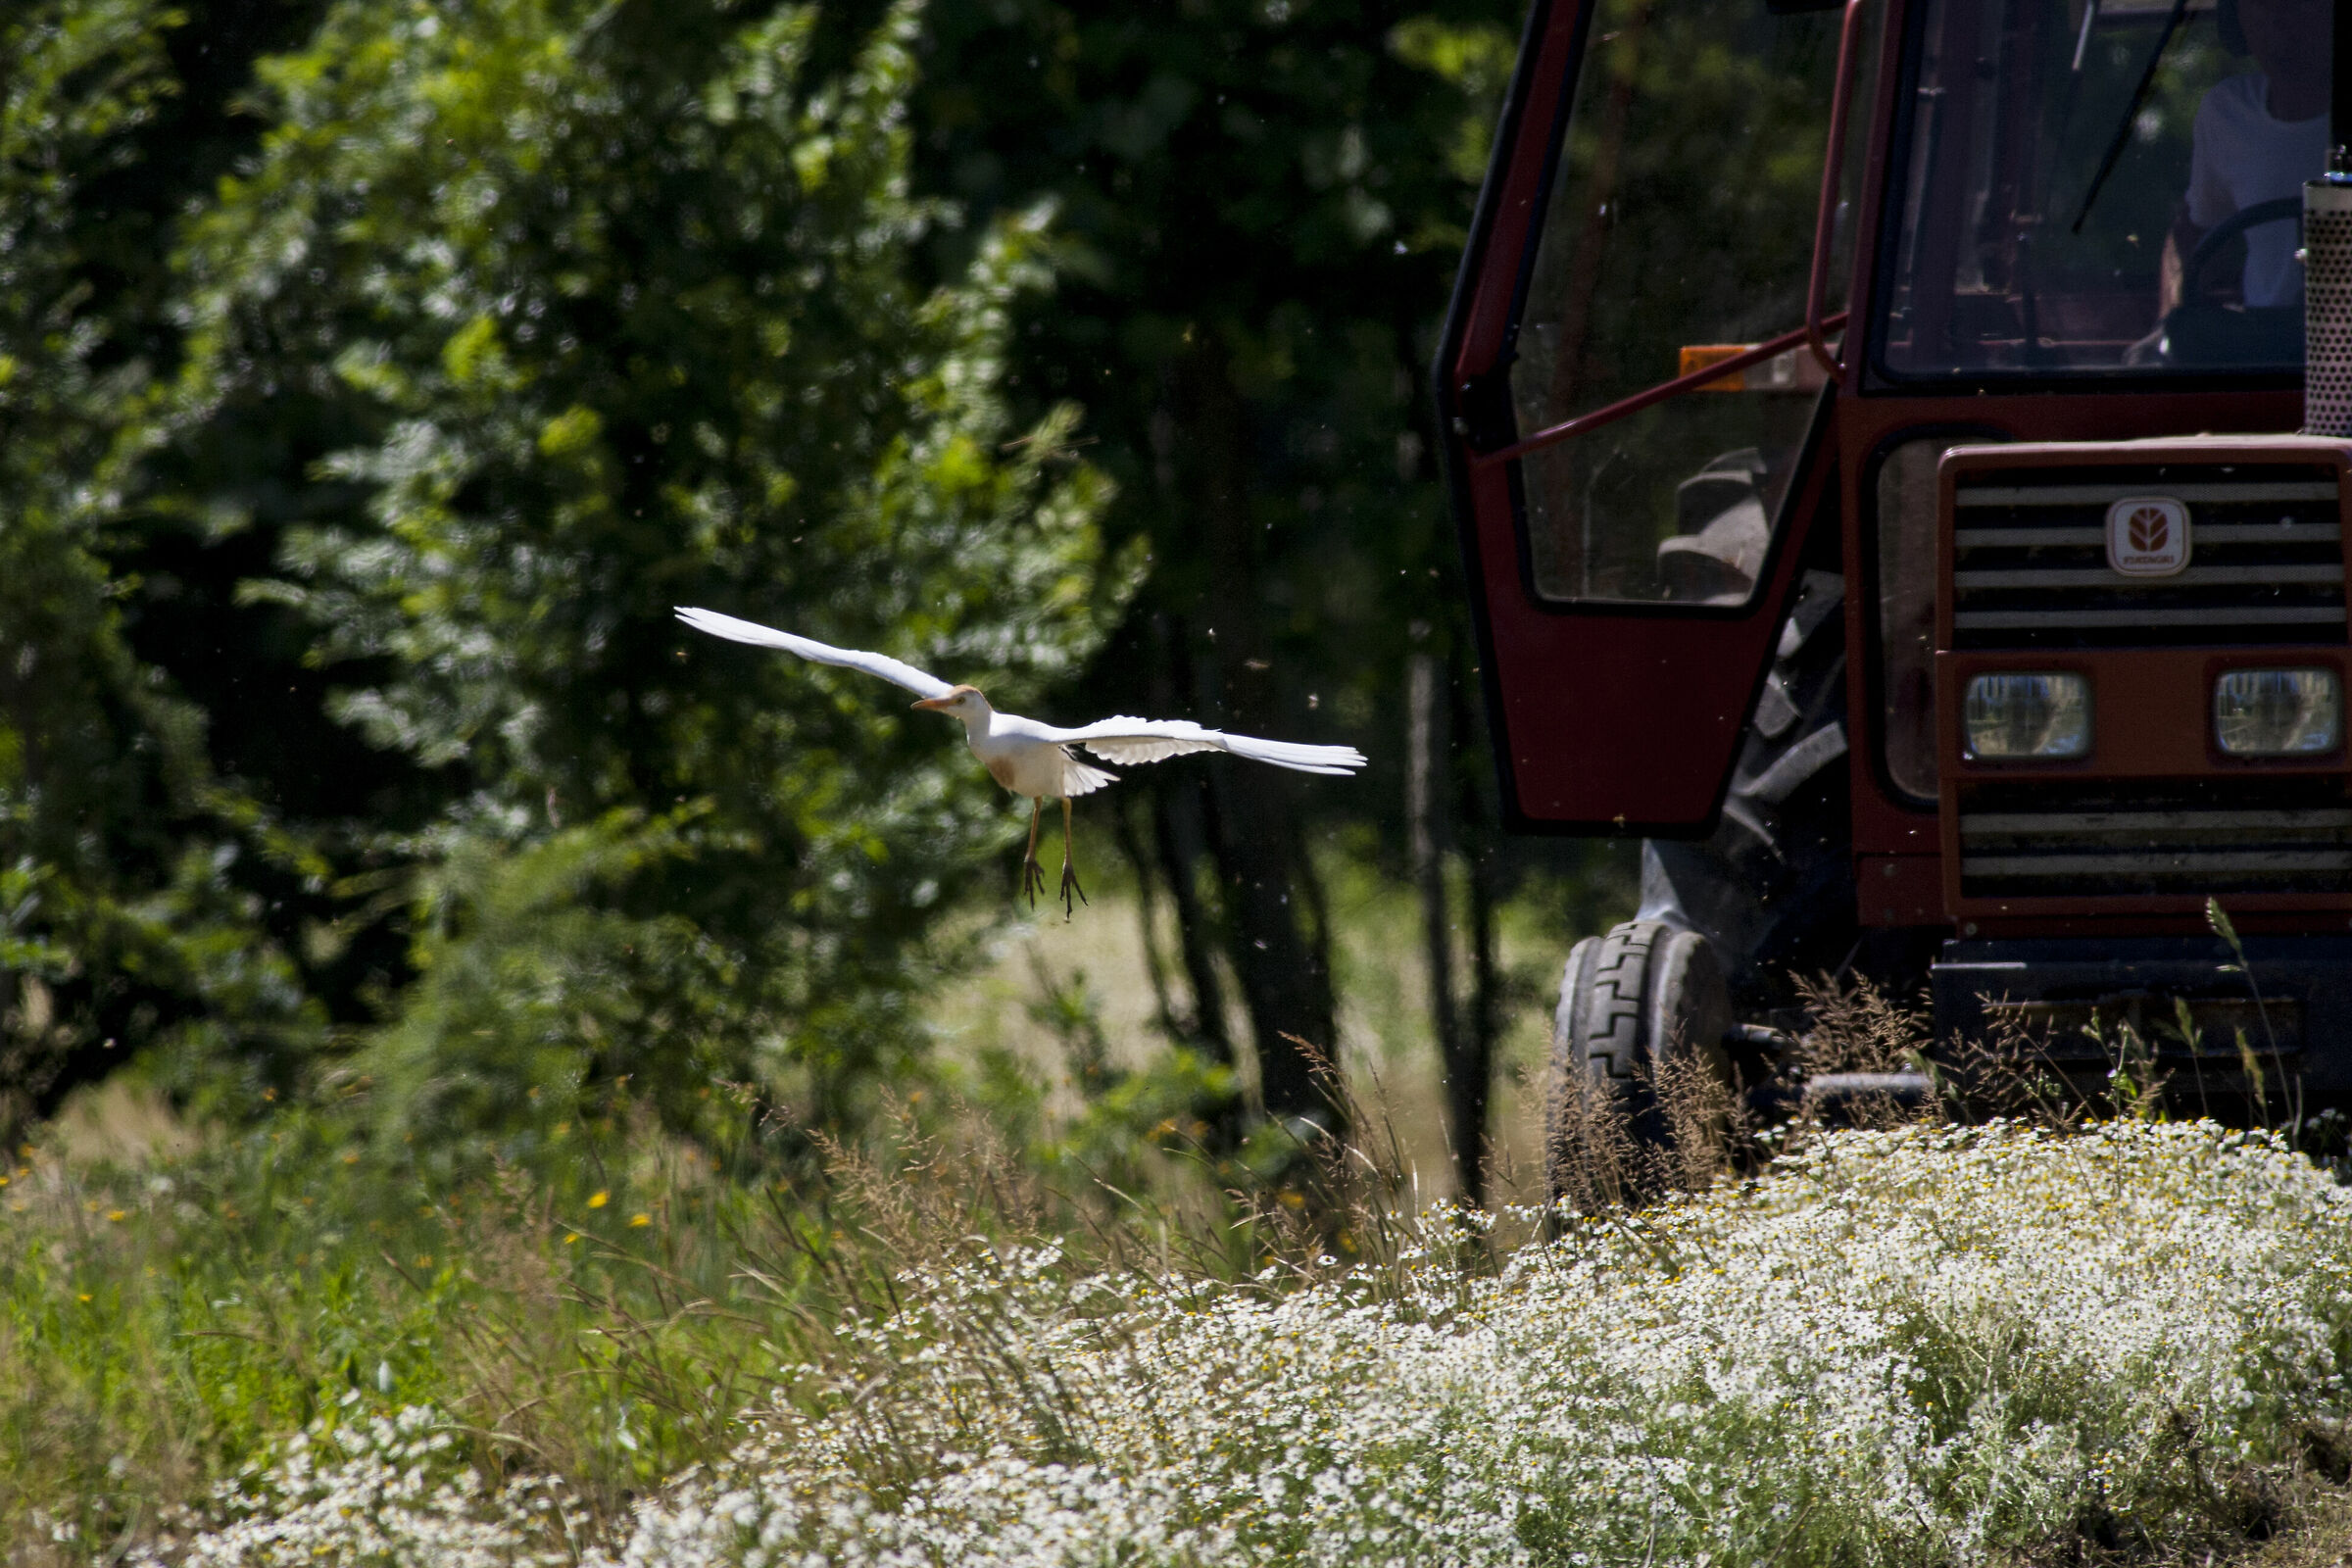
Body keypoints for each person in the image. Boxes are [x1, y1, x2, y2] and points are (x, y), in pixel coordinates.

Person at [2159, 0, 2330, 319]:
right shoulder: (2227, 114)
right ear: (2234, 18)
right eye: (2259, 5)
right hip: (2260, 352)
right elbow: (2192, 235)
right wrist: (2168, 332)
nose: (2277, 22)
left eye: (2299, 4)